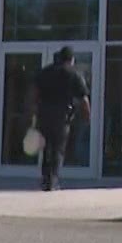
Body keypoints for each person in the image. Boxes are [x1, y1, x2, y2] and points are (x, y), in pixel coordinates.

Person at [32, 46, 91, 191]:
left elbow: (33, 93)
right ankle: (53, 180)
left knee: (46, 149)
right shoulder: (74, 74)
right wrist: (87, 117)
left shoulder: (45, 72)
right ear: (71, 59)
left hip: (44, 115)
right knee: (58, 149)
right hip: (61, 117)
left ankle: (46, 179)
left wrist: (32, 112)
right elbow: (83, 99)